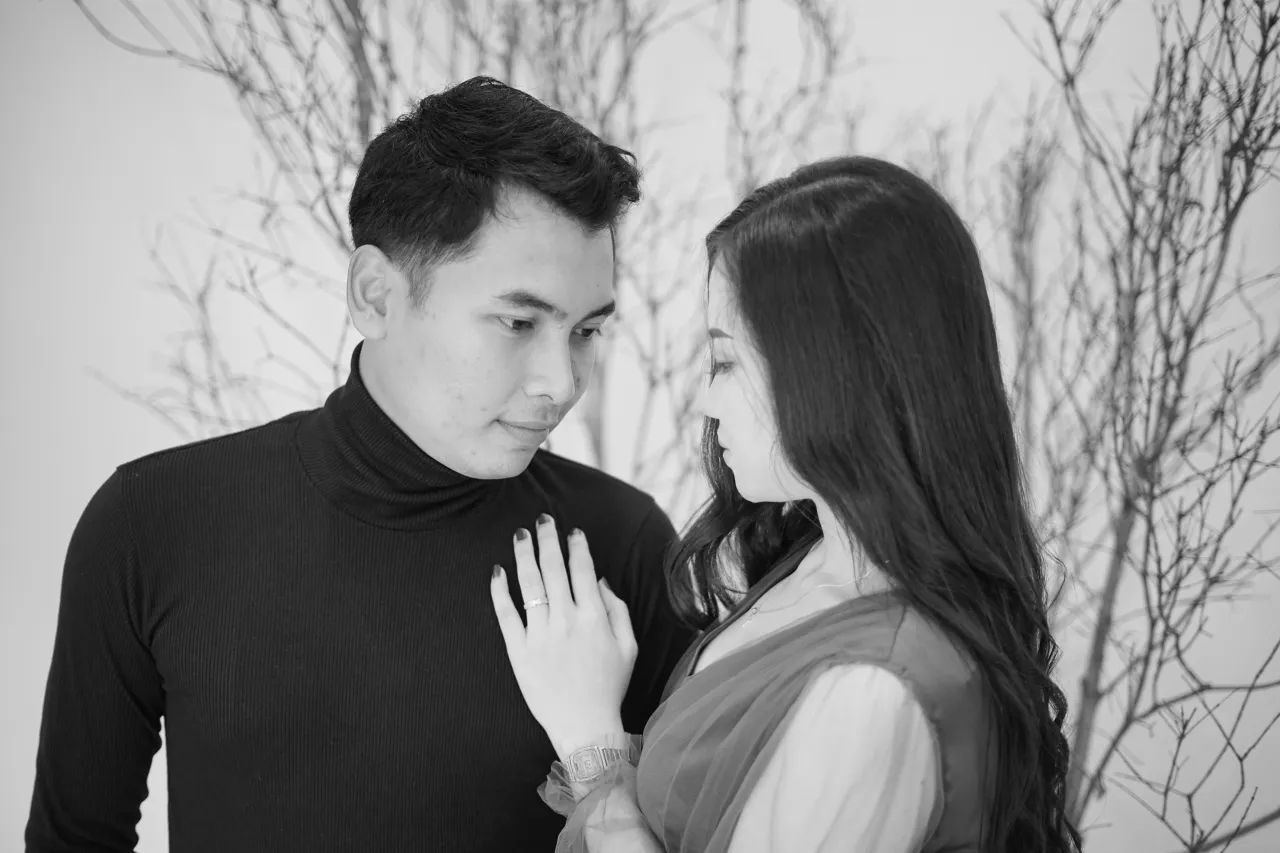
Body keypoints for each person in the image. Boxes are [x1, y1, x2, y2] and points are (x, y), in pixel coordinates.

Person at [25, 76, 695, 853]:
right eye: (518, 321)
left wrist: (596, 749)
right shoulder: (155, 522)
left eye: (585, 331)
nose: (562, 382)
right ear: (374, 294)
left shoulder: (621, 545)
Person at [490, 156, 1083, 852]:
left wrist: (590, 738)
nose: (707, 399)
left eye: (725, 361)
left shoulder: (872, 696)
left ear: (833, 373)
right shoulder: (817, 558)